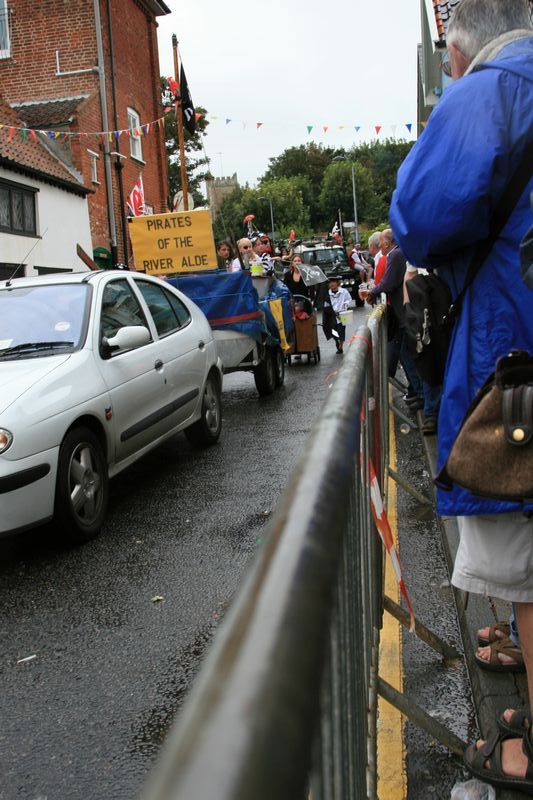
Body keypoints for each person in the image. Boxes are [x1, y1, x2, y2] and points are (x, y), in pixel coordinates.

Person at [389, 0, 533, 790]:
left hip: (516, 361)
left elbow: (417, 217)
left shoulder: (488, 88)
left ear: (456, 42)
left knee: (527, 558)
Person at [323, 276, 352, 354]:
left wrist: (345, 305)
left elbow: (348, 299)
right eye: (330, 283)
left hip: (342, 315)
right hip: (332, 316)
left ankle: (340, 347)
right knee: (333, 331)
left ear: (337, 283)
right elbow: (325, 305)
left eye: (333, 282)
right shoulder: (327, 294)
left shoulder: (344, 292)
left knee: (341, 331)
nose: (331, 284)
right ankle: (337, 340)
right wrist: (330, 311)